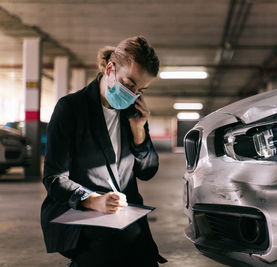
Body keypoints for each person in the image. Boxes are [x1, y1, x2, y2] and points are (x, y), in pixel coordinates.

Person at [40, 36, 166, 266]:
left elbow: (147, 172)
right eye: (128, 84)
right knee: (109, 252)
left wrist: (139, 131)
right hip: (79, 212)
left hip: (123, 216)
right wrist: (92, 199)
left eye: (140, 89)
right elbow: (54, 178)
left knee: (144, 256)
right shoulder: (71, 109)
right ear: (110, 68)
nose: (133, 94)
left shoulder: (134, 112)